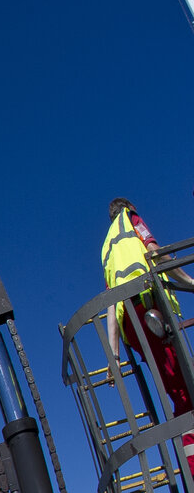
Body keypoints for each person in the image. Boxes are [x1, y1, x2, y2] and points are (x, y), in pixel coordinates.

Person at [104, 198, 194, 472]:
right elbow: (155, 253)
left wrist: (114, 355)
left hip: (132, 325)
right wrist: (190, 282)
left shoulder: (108, 248)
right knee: (187, 393)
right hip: (149, 310)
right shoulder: (130, 221)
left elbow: (111, 302)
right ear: (129, 208)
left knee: (179, 394)